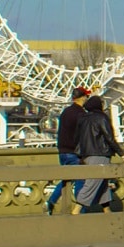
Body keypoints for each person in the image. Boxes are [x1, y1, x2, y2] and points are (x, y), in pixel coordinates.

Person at [74, 93, 124, 211]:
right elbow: (109, 137)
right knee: (93, 182)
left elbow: (77, 137)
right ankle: (76, 209)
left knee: (102, 184)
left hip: (86, 154)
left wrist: (80, 154)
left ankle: (107, 210)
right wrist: (121, 153)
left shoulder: (83, 118)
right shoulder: (102, 118)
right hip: (100, 153)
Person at [45, 87, 90, 215]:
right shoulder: (81, 114)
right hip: (74, 152)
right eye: (86, 96)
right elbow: (82, 136)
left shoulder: (66, 112)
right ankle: (80, 211)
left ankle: (51, 202)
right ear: (82, 97)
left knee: (67, 179)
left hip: (62, 151)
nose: (87, 98)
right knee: (81, 179)